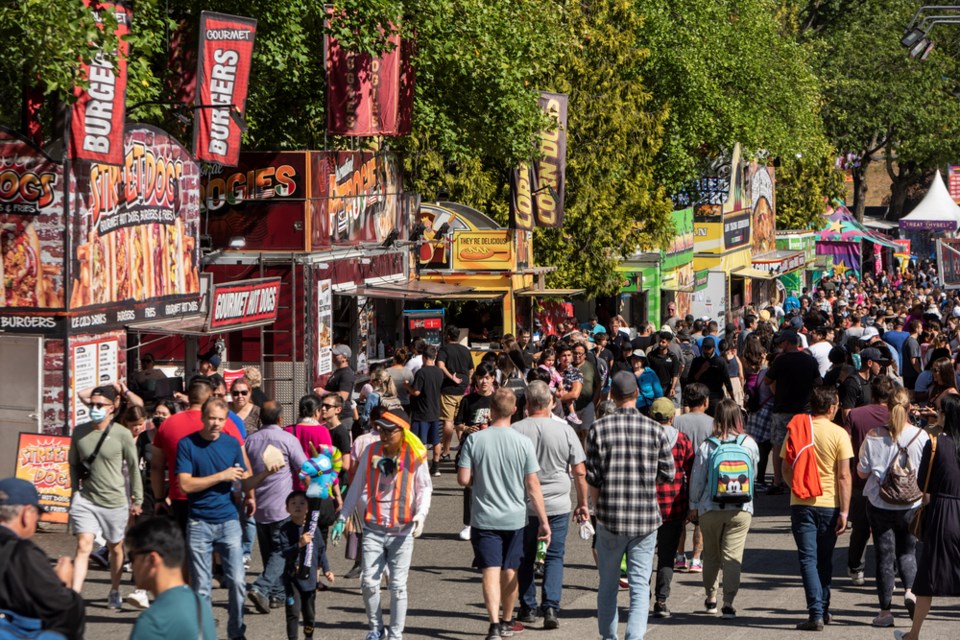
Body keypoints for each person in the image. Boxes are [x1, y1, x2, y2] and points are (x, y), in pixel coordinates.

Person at [176, 397, 282, 640]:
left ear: (226, 421)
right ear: (202, 417)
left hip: (229, 522)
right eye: (211, 418)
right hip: (199, 522)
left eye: (220, 419)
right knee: (202, 587)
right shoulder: (187, 444)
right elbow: (185, 485)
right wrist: (221, 476)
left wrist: (266, 473)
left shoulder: (232, 444)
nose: (215, 423)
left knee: (236, 581)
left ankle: (236, 632)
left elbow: (244, 482)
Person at [586, 371, 675, 640]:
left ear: (611, 395)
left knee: (608, 585)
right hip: (645, 519)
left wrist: (598, 509)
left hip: (610, 517)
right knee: (639, 585)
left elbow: (593, 477)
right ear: (637, 394)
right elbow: (668, 473)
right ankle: (634, 637)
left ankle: (608, 637)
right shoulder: (655, 429)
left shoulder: (598, 429)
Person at [458, 388, 550, 640]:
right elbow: (532, 486)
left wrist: (481, 477)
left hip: (484, 517)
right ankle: (508, 620)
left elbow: (463, 478)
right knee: (511, 570)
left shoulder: (475, 440)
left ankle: (494, 624)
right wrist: (543, 521)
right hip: (515, 517)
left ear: (491, 411)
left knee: (490, 569)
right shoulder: (523, 443)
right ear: (515, 411)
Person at [335, 411, 433, 640]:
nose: (384, 434)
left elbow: (425, 489)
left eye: (390, 430)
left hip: (403, 530)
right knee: (368, 582)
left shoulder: (415, 455)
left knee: (397, 586)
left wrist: (421, 515)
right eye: (381, 428)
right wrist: (343, 517)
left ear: (403, 431)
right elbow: (357, 485)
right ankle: (376, 628)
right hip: (374, 528)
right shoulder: (371, 451)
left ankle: (396, 634)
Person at [513, 381, 589, 629]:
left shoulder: (516, 430)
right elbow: (579, 471)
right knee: (555, 555)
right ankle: (551, 607)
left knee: (524, 556)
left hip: (524, 503)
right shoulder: (564, 430)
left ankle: (527, 606)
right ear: (551, 403)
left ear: (526, 402)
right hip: (557, 502)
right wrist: (583, 502)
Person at [781, 386, 853, 631]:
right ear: (832, 407)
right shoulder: (839, 434)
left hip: (802, 503)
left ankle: (816, 613)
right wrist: (845, 511)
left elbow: (785, 469)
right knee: (824, 559)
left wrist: (798, 487)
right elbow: (844, 476)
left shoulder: (797, 429)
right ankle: (823, 608)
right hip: (830, 505)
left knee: (808, 559)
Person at [856, 389, 928, 628]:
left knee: (884, 557)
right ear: (910, 409)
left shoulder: (874, 436)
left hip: (880, 503)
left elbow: (862, 472)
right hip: (911, 503)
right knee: (908, 552)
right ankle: (910, 591)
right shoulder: (922, 436)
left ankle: (885, 612)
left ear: (887, 409)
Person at [69, 385, 143, 608]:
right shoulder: (79, 432)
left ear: (113, 407)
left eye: (100, 405)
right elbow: (73, 464)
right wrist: (74, 493)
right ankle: (73, 596)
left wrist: (137, 499)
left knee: (115, 547)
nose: (95, 408)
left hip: (114, 501)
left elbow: (133, 467)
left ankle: (114, 589)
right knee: (84, 545)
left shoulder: (121, 434)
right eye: (92, 404)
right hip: (86, 499)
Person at [894, 394, 960, 640]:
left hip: (943, 513)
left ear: (946, 414)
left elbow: (923, 483)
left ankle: (914, 633)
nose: (934, 411)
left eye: (938, 409)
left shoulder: (936, 444)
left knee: (927, 578)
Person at [688, 399, 759, 619]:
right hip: (741, 507)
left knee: (711, 556)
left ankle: (711, 600)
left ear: (716, 417)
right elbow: (753, 475)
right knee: (733, 557)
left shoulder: (707, 445)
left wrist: (693, 506)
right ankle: (728, 602)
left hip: (710, 507)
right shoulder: (749, 443)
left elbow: (697, 479)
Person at [151, 378, 244, 534]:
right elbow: (241, 462)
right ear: (209, 399)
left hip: (180, 497)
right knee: (218, 550)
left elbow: (156, 466)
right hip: (218, 499)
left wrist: (159, 498)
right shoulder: (223, 423)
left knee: (188, 550)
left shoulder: (167, 424)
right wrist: (246, 494)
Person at [0, 477, 85, 639]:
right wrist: (64, 583)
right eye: (37, 514)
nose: (37, 520)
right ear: (26, 513)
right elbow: (62, 607)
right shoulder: (23, 552)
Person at [244, 401, 308, 613]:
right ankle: (262, 588)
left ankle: (277, 595)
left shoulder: (250, 441)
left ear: (261, 419)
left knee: (269, 553)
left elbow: (245, 472)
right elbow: (304, 468)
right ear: (280, 419)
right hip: (281, 506)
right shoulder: (288, 439)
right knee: (281, 552)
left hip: (258, 506)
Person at [127, 516, 216, 640]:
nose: (132, 565)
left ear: (152, 559)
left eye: (132, 557)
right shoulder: (198, 602)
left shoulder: (152, 622)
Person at [845, 376, 896, 588]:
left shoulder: (855, 415)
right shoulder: (898, 416)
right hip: (891, 483)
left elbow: (846, 446)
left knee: (860, 528)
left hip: (860, 480)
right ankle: (888, 573)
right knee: (888, 531)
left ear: (871, 393)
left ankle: (856, 568)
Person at [648, 397, 694, 619]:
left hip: (645, 506)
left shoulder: (643, 438)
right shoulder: (683, 440)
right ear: (672, 417)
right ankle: (661, 600)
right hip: (674, 506)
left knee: (644, 555)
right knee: (667, 556)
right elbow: (691, 471)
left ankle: (640, 596)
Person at [765, 330, 822, 495]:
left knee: (778, 444)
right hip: (804, 410)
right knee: (804, 443)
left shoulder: (780, 361)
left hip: (782, 408)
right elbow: (818, 381)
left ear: (788, 343)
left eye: (782, 343)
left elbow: (767, 380)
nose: (780, 346)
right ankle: (801, 476)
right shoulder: (809, 360)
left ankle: (778, 480)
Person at [280, 491, 334, 640]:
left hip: (310, 580)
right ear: (287, 508)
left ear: (308, 509)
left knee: (309, 614)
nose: (298, 506)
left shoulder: (313, 530)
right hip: (292, 580)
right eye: (293, 503)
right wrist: (299, 544)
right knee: (293, 612)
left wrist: (327, 569)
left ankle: (308, 637)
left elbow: (320, 551)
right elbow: (284, 552)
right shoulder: (285, 529)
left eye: (302, 503)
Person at [454, 363, 498, 541]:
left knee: (493, 484)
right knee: (469, 485)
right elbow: (458, 423)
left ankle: (491, 521)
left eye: (487, 377)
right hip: (471, 447)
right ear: (476, 380)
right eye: (480, 378)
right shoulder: (468, 400)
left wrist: (493, 421)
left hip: (493, 447)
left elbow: (506, 421)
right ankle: (469, 523)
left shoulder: (497, 399)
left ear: (493, 379)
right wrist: (466, 429)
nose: (484, 381)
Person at [673, 382, 713, 573]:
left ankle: (680, 556)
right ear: (706, 401)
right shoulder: (713, 423)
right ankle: (696, 559)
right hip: (704, 476)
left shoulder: (677, 421)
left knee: (680, 518)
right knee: (700, 519)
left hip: (680, 474)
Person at [437, 324, 475, 461]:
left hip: (449, 389)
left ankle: (446, 452)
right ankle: (462, 446)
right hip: (465, 389)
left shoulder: (444, 350)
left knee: (448, 420)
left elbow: (440, 366)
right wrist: (468, 380)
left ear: (447, 335)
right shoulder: (465, 350)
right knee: (462, 419)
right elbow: (471, 369)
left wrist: (450, 376)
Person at [406, 344, 444, 476]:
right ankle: (436, 466)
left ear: (424, 357)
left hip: (421, 412)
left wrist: (407, 386)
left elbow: (416, 392)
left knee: (420, 442)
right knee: (436, 441)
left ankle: (421, 467)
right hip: (435, 410)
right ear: (434, 357)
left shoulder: (421, 373)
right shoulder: (439, 372)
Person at [689, 337, 733, 415]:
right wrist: (702, 370)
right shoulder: (696, 361)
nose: (706, 350)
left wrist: (732, 397)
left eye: (709, 348)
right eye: (704, 347)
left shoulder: (720, 361)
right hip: (700, 397)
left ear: (714, 348)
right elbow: (691, 380)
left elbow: (727, 380)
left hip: (716, 397)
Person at [320, 344, 357, 435]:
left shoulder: (346, 374)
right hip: (335, 416)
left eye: (336, 355)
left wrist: (324, 392)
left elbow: (343, 395)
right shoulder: (339, 371)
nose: (333, 356)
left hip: (343, 417)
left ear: (344, 358)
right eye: (333, 354)